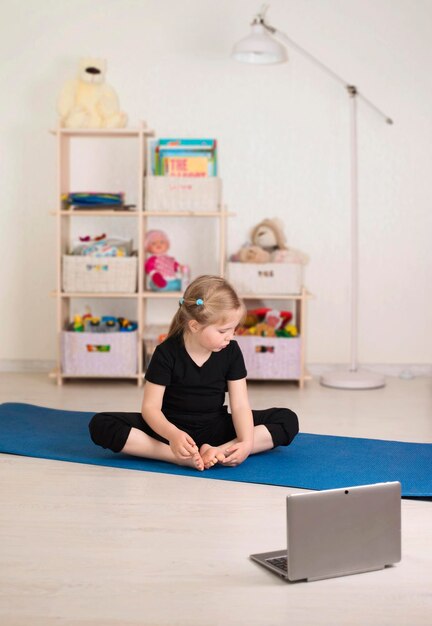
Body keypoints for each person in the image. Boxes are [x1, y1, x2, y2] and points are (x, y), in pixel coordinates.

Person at [89, 275, 299, 471]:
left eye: (233, 330)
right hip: (171, 429)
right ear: (194, 325)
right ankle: (176, 456)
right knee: (101, 425)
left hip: (215, 428)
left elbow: (240, 405)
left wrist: (245, 442)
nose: (230, 337)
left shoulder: (231, 351)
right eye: (223, 331)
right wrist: (173, 436)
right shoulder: (166, 353)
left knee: (287, 419)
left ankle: (220, 451)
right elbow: (150, 408)